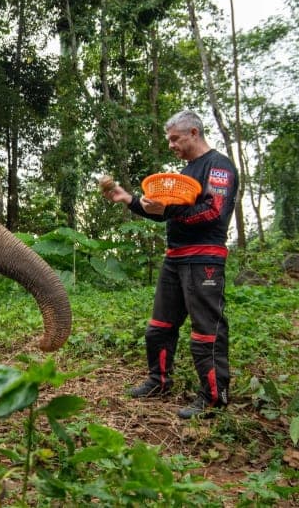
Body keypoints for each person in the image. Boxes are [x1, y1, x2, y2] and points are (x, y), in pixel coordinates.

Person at [102, 110, 238, 419]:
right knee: (159, 327)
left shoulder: (219, 166)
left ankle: (214, 397)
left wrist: (172, 211)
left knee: (206, 330)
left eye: (175, 138)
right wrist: (129, 199)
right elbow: (163, 212)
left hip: (203, 258)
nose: (171, 145)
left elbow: (214, 211)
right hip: (175, 258)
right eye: (169, 140)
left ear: (193, 133)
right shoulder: (185, 174)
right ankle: (158, 381)